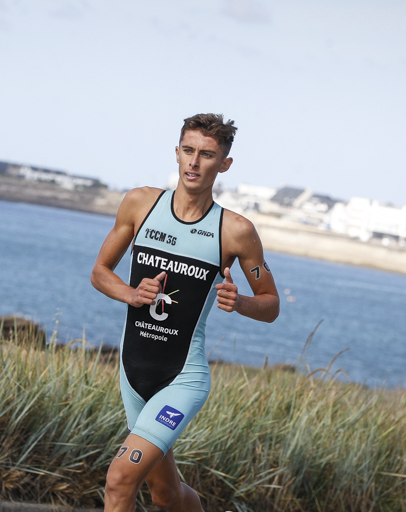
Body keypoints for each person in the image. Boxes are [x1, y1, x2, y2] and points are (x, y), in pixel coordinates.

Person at [90, 113, 280, 512]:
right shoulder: (140, 204)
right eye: (188, 151)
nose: (194, 162)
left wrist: (240, 302)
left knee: (119, 478)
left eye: (206, 155)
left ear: (224, 164)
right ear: (176, 152)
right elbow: (100, 272)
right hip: (133, 374)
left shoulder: (235, 231)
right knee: (166, 495)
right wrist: (131, 294)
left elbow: (271, 304)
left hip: (182, 378)